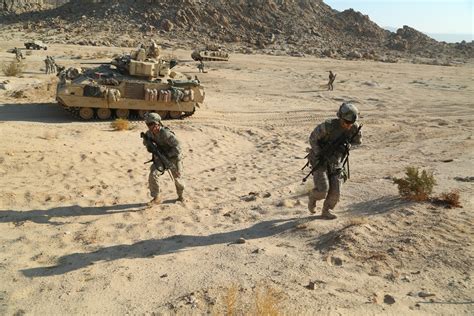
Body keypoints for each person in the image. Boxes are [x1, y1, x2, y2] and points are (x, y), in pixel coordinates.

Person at [306, 103, 362, 219]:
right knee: (322, 190)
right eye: (346, 122)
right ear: (340, 118)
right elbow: (312, 139)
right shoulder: (328, 126)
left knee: (335, 191)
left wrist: (348, 146)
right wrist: (319, 153)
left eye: (351, 123)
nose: (348, 125)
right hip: (320, 160)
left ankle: (326, 210)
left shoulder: (354, 128)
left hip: (336, 161)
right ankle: (312, 196)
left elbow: (358, 142)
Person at [143, 113, 185, 205]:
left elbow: (178, 148)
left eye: (151, 124)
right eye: (148, 124)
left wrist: (167, 155)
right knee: (153, 174)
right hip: (160, 158)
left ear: (158, 123)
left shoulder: (166, 133)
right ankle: (156, 197)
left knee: (178, 179)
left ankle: (181, 196)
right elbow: (146, 144)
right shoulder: (149, 134)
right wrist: (149, 146)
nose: (149, 126)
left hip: (173, 157)